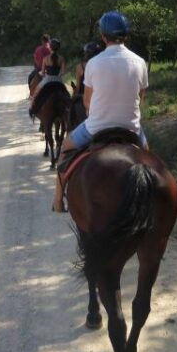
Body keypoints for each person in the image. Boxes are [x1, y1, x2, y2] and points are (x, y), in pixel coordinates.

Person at [52, 11, 148, 212]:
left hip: (96, 127)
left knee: (64, 149)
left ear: (103, 36)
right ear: (126, 35)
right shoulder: (140, 62)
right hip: (132, 127)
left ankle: (58, 200)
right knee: (148, 159)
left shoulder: (94, 63)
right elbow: (141, 99)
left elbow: (87, 101)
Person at [30, 38, 66, 116]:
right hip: (58, 80)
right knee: (66, 94)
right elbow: (63, 72)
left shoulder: (45, 59)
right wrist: (58, 76)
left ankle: (32, 108)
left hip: (47, 79)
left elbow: (42, 73)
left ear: (50, 47)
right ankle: (68, 109)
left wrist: (45, 75)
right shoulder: (61, 58)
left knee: (36, 93)